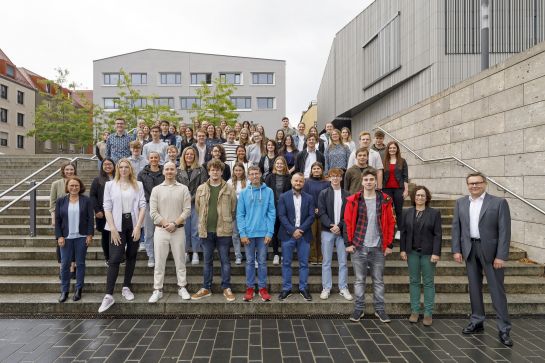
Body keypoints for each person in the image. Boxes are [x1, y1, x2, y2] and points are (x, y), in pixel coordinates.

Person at [451, 172, 513, 346]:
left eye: (477, 183)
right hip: (470, 249)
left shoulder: (499, 203)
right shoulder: (461, 203)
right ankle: (477, 321)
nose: (474, 186)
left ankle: (504, 330)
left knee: (497, 291)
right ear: (467, 185)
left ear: (485, 184)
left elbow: (504, 231)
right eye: (471, 183)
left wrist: (501, 255)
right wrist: (456, 249)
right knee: (474, 288)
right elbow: (456, 228)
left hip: (492, 254)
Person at [344, 168, 395, 323]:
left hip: (378, 247)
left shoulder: (385, 200)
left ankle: (380, 310)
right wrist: (348, 243)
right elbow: (347, 222)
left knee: (378, 280)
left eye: (371, 179)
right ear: (362, 181)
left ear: (375, 181)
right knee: (359, 280)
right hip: (359, 246)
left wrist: (389, 244)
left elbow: (391, 223)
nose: (368, 182)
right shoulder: (354, 200)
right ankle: (359, 309)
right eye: (366, 179)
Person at [98, 159, 146, 313]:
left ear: (131, 169)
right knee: (115, 258)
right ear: (117, 169)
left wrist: (138, 226)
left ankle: (126, 286)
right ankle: (108, 295)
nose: (124, 169)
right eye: (121, 167)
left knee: (131, 255)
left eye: (127, 167)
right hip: (116, 226)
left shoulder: (138, 185)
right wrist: (112, 228)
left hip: (133, 224)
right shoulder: (110, 185)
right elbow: (107, 207)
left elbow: (142, 205)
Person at [192, 160, 238, 302]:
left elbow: (233, 210)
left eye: (218, 170)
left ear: (222, 172)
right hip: (206, 231)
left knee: (225, 260)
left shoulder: (229, 188)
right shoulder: (201, 189)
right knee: (207, 261)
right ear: (209, 171)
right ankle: (206, 287)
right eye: (212, 169)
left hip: (223, 231)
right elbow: (198, 208)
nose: (215, 172)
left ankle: (226, 287)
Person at [148, 161, 192, 303]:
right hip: (161, 231)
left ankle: (182, 287)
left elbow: (187, 210)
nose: (169, 172)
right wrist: (166, 224)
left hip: (178, 230)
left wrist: (175, 223)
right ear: (163, 171)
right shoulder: (156, 190)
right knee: (159, 262)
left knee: (180, 261)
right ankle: (157, 290)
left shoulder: (184, 189)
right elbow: (153, 212)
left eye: (172, 169)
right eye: (167, 169)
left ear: (176, 171)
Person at [400, 185, 442, 326]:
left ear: (427, 198)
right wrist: (403, 250)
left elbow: (438, 235)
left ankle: (428, 313)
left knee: (429, 282)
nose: (420, 197)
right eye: (417, 195)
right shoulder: (406, 212)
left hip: (428, 254)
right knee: (414, 281)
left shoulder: (434, 213)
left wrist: (436, 252)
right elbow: (403, 233)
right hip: (411, 253)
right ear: (413, 197)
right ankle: (415, 311)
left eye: (422, 195)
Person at [237, 166, 276, 302]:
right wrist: (242, 233)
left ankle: (262, 288)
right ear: (248, 176)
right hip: (248, 233)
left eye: (256, 173)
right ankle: (249, 288)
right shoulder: (243, 193)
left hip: (263, 233)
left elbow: (271, 213)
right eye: (251, 174)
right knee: (249, 262)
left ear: (260, 174)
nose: (254, 176)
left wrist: (269, 232)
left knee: (263, 262)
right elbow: (240, 215)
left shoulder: (269, 191)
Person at [55, 177, 94, 303]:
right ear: (67, 187)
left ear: (80, 186)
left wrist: (89, 235)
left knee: (80, 263)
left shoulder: (86, 200)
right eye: (71, 185)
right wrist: (59, 236)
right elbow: (57, 221)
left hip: (81, 237)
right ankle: (64, 290)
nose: (74, 188)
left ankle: (78, 289)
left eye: (76, 185)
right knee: (65, 264)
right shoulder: (61, 201)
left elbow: (90, 219)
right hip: (66, 237)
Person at [277, 173, 315, 301]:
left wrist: (301, 230)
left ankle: (303, 288)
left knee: (304, 263)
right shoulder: (283, 196)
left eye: (300, 181)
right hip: (288, 235)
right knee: (286, 263)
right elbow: (281, 215)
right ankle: (286, 289)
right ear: (292, 181)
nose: (298, 183)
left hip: (304, 235)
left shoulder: (309, 198)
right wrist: (293, 230)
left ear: (303, 183)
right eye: (296, 181)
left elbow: (311, 216)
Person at [317, 168, 353, 301]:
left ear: (341, 178)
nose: (335, 178)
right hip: (328, 231)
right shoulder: (323, 193)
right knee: (326, 261)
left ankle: (343, 288)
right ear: (329, 178)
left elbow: (349, 214)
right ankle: (326, 287)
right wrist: (331, 225)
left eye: (338, 176)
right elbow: (321, 212)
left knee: (343, 262)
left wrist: (340, 225)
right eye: (333, 176)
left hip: (343, 232)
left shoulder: (347, 194)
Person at [177, 146, 208, 264]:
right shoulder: (178, 170)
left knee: (195, 228)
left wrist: (192, 198)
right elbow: (176, 186)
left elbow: (203, 186)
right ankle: (185, 252)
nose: (189, 156)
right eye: (187, 154)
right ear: (183, 156)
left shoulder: (201, 169)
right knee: (184, 229)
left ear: (195, 156)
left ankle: (195, 252)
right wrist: (185, 199)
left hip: (196, 203)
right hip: (182, 204)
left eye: (191, 154)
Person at [50, 162, 77, 279]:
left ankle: (72, 267)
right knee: (60, 242)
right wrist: (53, 218)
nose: (69, 172)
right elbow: (52, 203)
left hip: (75, 217)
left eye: (71, 170)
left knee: (74, 242)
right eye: (67, 170)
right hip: (61, 218)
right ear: (63, 171)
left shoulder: (77, 183)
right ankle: (62, 267)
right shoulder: (56, 184)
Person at [137, 151, 165, 268]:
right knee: (149, 232)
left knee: (163, 231)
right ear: (148, 159)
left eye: (156, 157)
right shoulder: (142, 173)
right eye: (151, 157)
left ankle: (161, 255)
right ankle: (151, 256)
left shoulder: (164, 171)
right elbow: (140, 190)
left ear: (159, 159)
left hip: (163, 204)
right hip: (148, 205)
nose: (154, 159)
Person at [265, 156, 292, 265]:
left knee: (285, 231)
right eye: (277, 163)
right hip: (272, 209)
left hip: (285, 208)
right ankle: (276, 254)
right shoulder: (269, 177)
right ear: (275, 165)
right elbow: (266, 193)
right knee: (275, 231)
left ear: (285, 165)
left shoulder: (289, 177)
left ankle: (285, 253)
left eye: (281, 163)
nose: (279, 165)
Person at [302, 162, 330, 265]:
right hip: (311, 213)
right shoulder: (307, 182)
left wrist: (321, 209)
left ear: (322, 170)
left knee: (322, 237)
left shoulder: (327, 183)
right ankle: (313, 257)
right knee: (312, 236)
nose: (316, 170)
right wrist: (313, 208)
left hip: (324, 213)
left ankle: (322, 257)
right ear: (311, 170)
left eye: (318, 168)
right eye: (314, 169)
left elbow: (328, 198)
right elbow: (305, 197)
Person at [90, 158, 115, 264]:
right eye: (105, 164)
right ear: (102, 166)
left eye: (110, 164)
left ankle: (118, 255)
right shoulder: (97, 180)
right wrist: (97, 210)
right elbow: (92, 196)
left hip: (117, 212)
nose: (108, 166)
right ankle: (108, 257)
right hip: (103, 212)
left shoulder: (119, 178)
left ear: (114, 166)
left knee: (118, 234)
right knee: (106, 235)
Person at [382, 141, 409, 234]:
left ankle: (400, 232)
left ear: (397, 149)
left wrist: (406, 190)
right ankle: (388, 232)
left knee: (399, 211)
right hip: (386, 189)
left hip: (399, 189)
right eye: (390, 148)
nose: (392, 149)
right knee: (387, 211)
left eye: (394, 148)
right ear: (387, 149)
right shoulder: (383, 161)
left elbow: (405, 176)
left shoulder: (402, 161)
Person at [227, 162, 248, 265]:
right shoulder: (229, 182)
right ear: (233, 171)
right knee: (235, 234)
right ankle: (238, 255)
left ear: (243, 171)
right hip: (234, 210)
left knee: (247, 233)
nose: (238, 172)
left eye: (240, 170)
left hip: (246, 212)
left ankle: (250, 255)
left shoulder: (248, 182)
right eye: (236, 170)